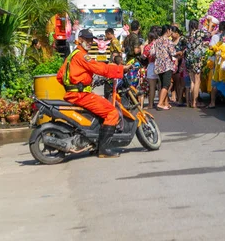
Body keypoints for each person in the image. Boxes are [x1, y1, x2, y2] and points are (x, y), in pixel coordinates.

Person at [57, 29, 132, 158]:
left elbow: (60, 76)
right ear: (80, 40)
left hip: (75, 93)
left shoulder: (73, 54)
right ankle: (103, 149)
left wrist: (78, 83)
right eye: (87, 40)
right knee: (112, 112)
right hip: (81, 95)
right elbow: (99, 68)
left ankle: (95, 143)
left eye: (91, 40)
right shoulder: (81, 55)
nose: (90, 42)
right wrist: (120, 69)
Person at [186, 19, 210, 108]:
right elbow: (209, 34)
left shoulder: (187, 34)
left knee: (192, 81)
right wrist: (210, 25)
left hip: (188, 59)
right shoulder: (198, 32)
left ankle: (192, 102)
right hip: (196, 59)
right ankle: (195, 102)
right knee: (197, 80)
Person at [153, 25, 176, 111]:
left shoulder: (157, 41)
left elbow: (152, 52)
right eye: (170, 30)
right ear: (167, 31)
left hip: (158, 65)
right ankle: (160, 104)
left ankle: (165, 103)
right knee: (166, 85)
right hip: (166, 65)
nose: (171, 32)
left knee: (163, 84)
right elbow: (173, 52)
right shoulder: (168, 41)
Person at [170, 25, 187, 106]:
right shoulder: (170, 40)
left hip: (181, 62)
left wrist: (178, 57)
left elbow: (185, 50)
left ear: (177, 33)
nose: (171, 35)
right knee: (175, 80)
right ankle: (178, 97)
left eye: (172, 33)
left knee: (181, 80)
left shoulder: (182, 39)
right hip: (173, 62)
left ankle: (181, 98)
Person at [143, 32, 158, 110]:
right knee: (161, 86)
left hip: (151, 65)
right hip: (160, 65)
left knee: (152, 87)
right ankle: (161, 103)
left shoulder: (148, 47)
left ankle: (151, 104)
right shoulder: (160, 45)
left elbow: (143, 57)